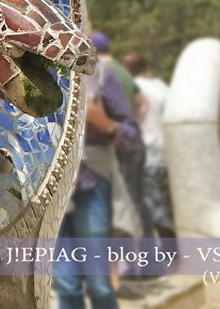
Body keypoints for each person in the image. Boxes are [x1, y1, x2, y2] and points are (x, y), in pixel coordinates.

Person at [54, 53, 143, 309]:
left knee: (99, 284)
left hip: (90, 185)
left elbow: (131, 137)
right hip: (51, 194)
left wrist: (103, 122)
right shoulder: (36, 74)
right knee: (67, 288)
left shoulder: (102, 75)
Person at [123, 52, 175, 242]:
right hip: (169, 153)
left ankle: (170, 251)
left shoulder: (135, 89)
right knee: (167, 203)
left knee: (152, 205)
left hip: (147, 152)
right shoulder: (163, 87)